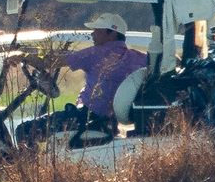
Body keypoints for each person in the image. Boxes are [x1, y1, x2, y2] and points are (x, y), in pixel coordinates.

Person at [16, 13, 147, 142]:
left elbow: (50, 62)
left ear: (111, 33)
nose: (92, 34)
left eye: (97, 31)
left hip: (84, 119)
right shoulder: (139, 58)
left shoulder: (96, 53)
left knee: (24, 130)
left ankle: (29, 164)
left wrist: (23, 56)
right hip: (110, 123)